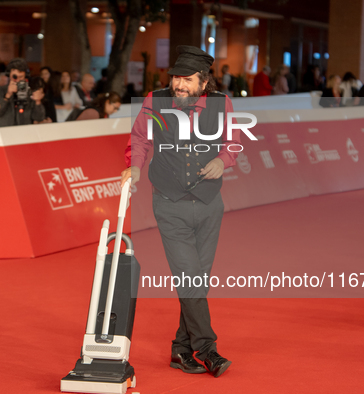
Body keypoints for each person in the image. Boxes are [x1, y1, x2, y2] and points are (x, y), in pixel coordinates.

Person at [120, 45, 240, 378]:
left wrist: (222, 159)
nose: (179, 85)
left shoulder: (222, 104)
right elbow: (140, 139)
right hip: (170, 204)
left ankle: (180, 350)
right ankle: (207, 349)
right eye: (175, 78)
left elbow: (234, 141)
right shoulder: (155, 100)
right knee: (190, 278)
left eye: (186, 79)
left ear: (204, 82)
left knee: (196, 282)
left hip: (208, 205)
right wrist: (134, 167)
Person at [0, 58, 46, 127]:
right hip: (5, 132)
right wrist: (8, 95)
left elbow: (39, 118)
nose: (17, 80)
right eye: (14, 77)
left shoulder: (29, 91)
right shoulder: (0, 90)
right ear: (9, 74)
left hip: (24, 132)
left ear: (25, 76)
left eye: (21, 77)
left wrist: (38, 102)